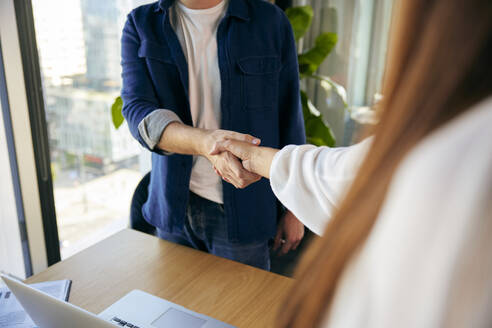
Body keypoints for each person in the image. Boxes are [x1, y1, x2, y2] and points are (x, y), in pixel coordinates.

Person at [210, 0, 492, 326]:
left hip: (245, 213)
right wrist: (249, 155)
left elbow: (317, 146)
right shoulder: (142, 22)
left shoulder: (450, 162)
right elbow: (346, 173)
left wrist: (283, 200)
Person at [120, 0, 306, 271]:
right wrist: (207, 143)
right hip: (174, 207)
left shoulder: (269, 22)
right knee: (174, 309)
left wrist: (295, 208)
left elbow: (290, 116)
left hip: (245, 211)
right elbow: (139, 113)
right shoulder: (141, 23)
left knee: (240, 311)